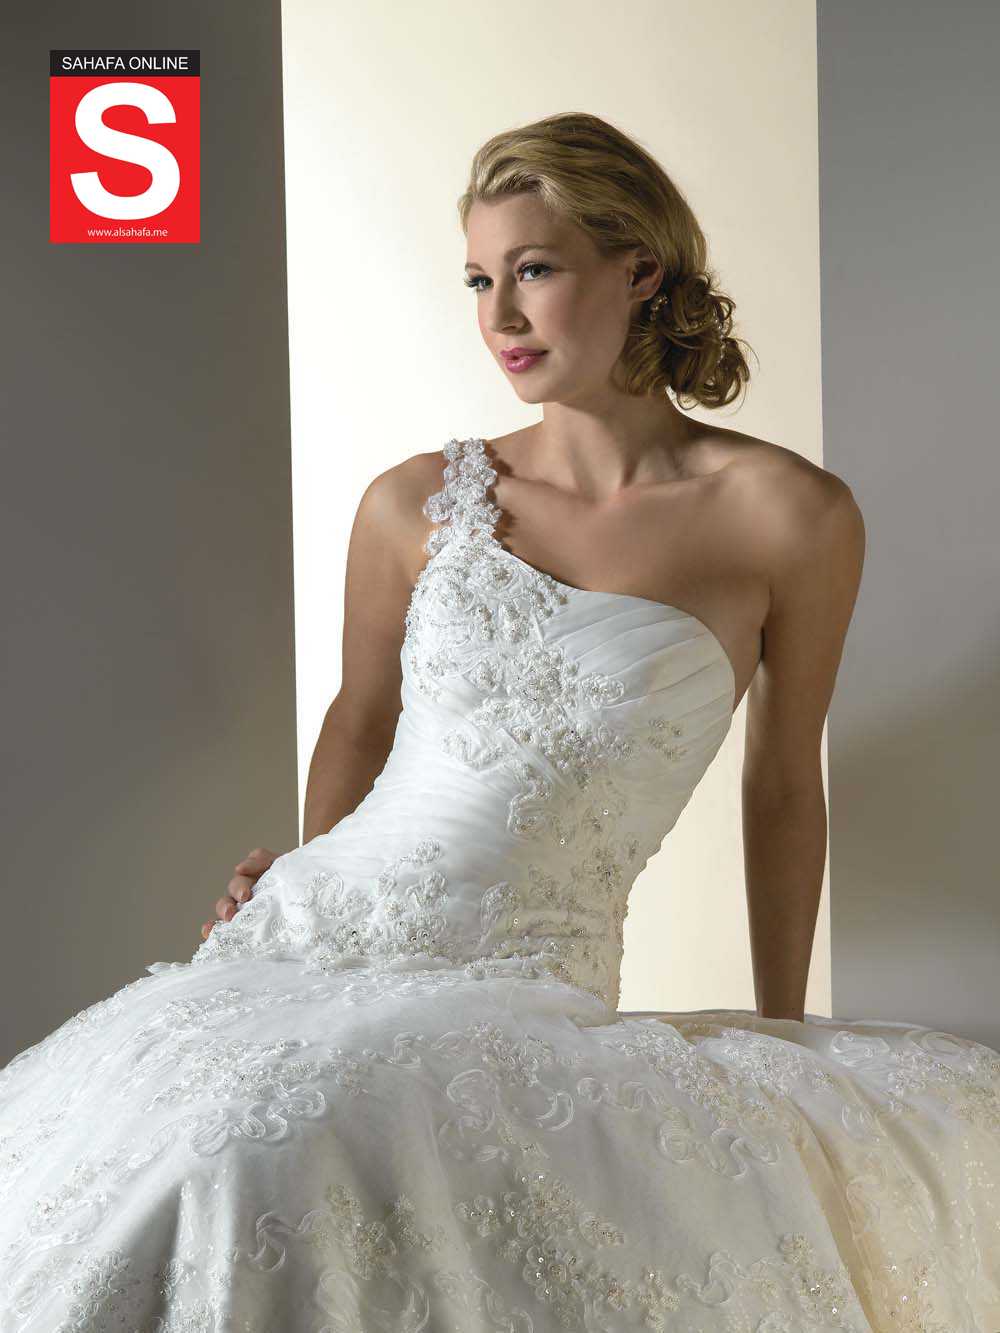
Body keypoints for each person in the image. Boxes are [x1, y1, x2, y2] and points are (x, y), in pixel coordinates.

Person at [2, 112, 998, 1332]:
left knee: (284, 1158)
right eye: (479, 280)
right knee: (192, 1165)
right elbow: (359, 721)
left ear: (640, 268)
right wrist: (289, 889)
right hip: (316, 935)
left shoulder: (787, 514)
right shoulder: (413, 501)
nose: (501, 316)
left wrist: (782, 1027)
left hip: (522, 973)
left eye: (533, 269)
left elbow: (784, 779)